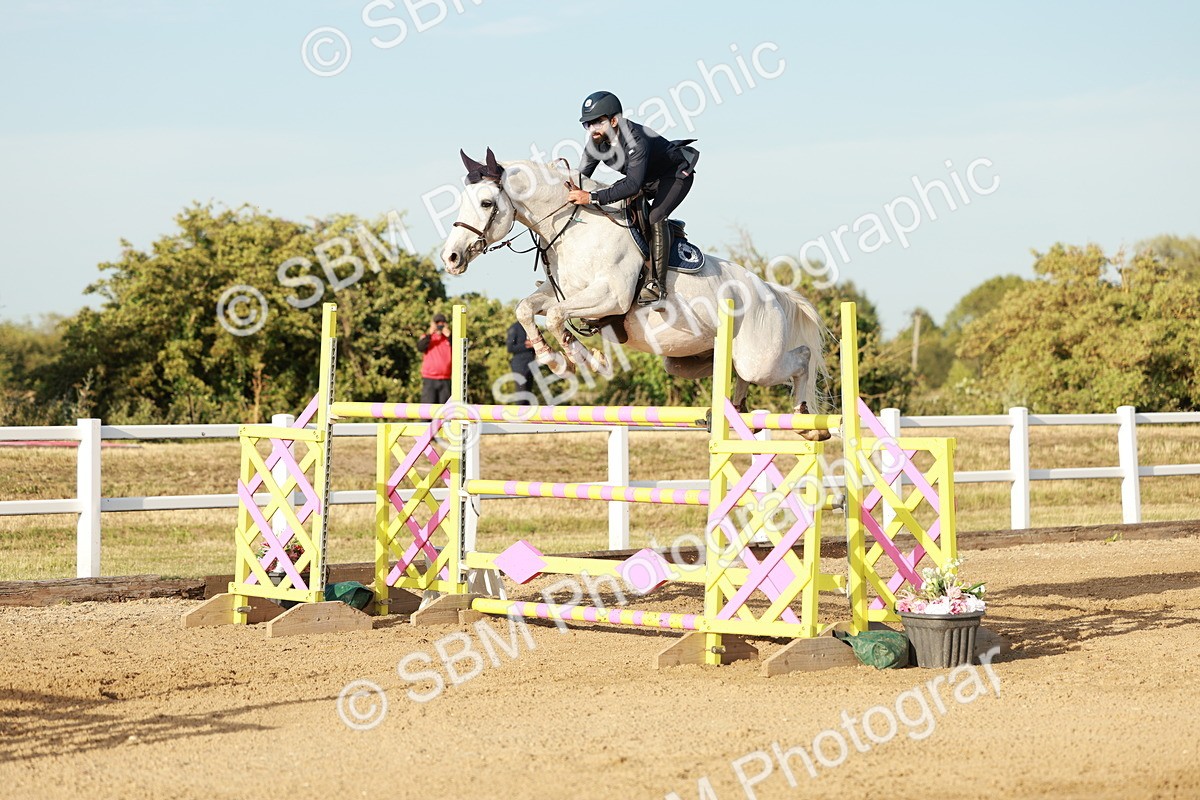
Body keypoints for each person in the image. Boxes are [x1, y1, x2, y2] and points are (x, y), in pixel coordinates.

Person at [566, 90, 699, 306]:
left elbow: (632, 185)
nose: (592, 129)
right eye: (587, 124)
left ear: (614, 120)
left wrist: (591, 197)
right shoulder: (595, 144)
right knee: (621, 210)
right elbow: (580, 178)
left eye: (597, 123)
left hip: (674, 175)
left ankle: (657, 285)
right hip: (646, 179)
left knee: (656, 216)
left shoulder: (635, 139)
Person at [416, 313, 452, 404]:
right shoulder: (427, 338)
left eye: (442, 323)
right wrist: (430, 333)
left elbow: (459, 348)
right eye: (437, 323)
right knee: (427, 410)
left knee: (445, 412)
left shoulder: (449, 339)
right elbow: (420, 347)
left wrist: (449, 335)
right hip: (429, 379)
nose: (439, 326)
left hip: (445, 379)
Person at [505, 319, 537, 405]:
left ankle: (527, 417)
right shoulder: (514, 327)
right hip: (519, 364)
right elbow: (510, 348)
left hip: (531, 363)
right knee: (521, 394)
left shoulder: (532, 327)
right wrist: (526, 345)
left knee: (529, 393)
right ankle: (519, 417)